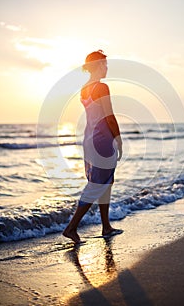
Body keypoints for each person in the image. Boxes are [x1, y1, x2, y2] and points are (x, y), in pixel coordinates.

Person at [63, 50, 123, 243]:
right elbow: (108, 116)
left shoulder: (84, 88)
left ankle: (106, 226)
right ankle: (71, 228)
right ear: (97, 65)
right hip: (102, 140)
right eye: (104, 64)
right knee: (97, 184)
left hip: (89, 139)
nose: (107, 68)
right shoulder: (101, 87)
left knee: (106, 181)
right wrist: (118, 137)